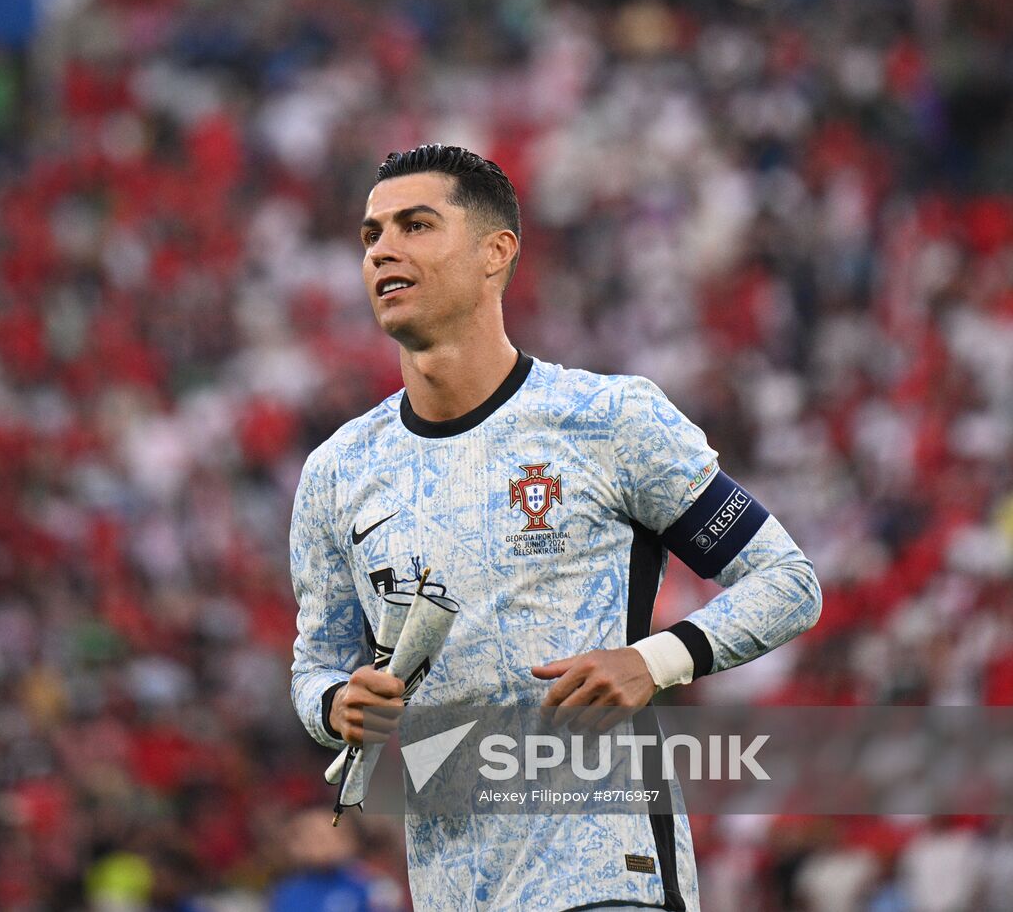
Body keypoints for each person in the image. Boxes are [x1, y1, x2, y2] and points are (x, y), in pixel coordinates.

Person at [289, 144, 822, 910]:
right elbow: (317, 667)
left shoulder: (608, 421)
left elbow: (787, 582)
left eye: (415, 225)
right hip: (452, 885)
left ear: (494, 254)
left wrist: (654, 660)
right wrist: (339, 704)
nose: (384, 250)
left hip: (610, 874)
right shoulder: (338, 473)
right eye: (371, 235)